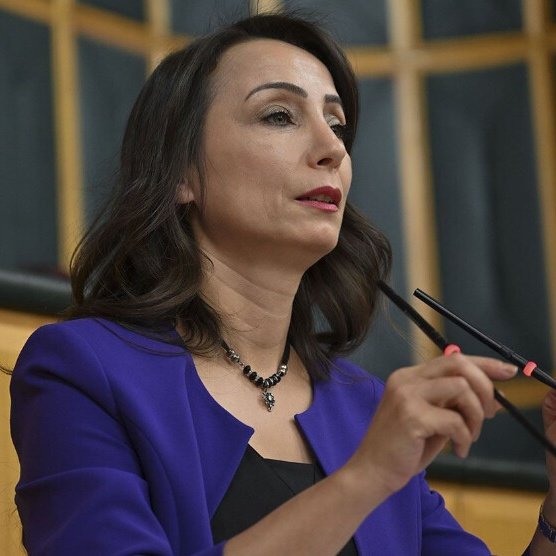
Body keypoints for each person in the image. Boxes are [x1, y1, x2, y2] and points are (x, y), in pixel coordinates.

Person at [10, 12, 556, 555]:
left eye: (337, 125)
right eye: (278, 116)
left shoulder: (366, 406)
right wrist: (364, 478)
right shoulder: (81, 368)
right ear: (181, 173)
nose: (333, 149)